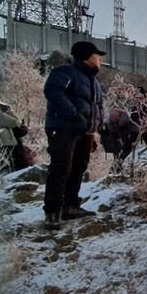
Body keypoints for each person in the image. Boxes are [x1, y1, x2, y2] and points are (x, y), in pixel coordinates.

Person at [42, 41, 105, 230]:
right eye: (97, 55)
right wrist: (71, 113)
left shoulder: (94, 82)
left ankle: (71, 206)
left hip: (84, 131)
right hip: (63, 128)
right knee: (61, 168)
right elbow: (52, 90)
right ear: (86, 56)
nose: (100, 59)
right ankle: (52, 212)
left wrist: (93, 131)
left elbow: (97, 107)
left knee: (79, 168)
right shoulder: (66, 72)